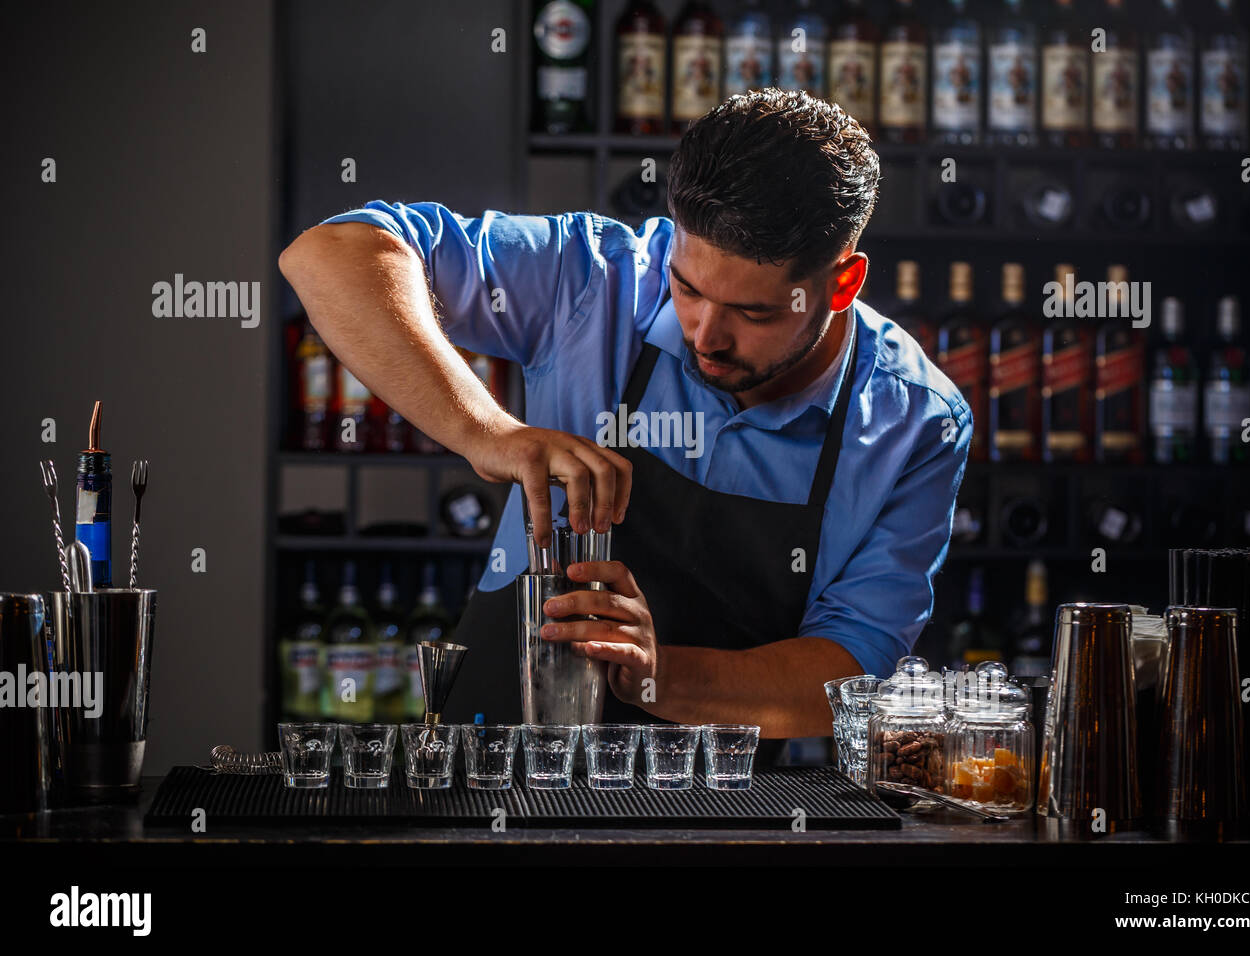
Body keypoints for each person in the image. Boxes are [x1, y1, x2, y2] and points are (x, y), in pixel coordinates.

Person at [279, 89, 972, 754]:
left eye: (754, 313)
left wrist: (658, 673)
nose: (706, 334)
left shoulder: (914, 424)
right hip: (492, 759)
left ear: (842, 284)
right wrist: (485, 430)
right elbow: (328, 254)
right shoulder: (594, 280)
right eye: (688, 287)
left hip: (711, 804)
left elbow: (850, 673)